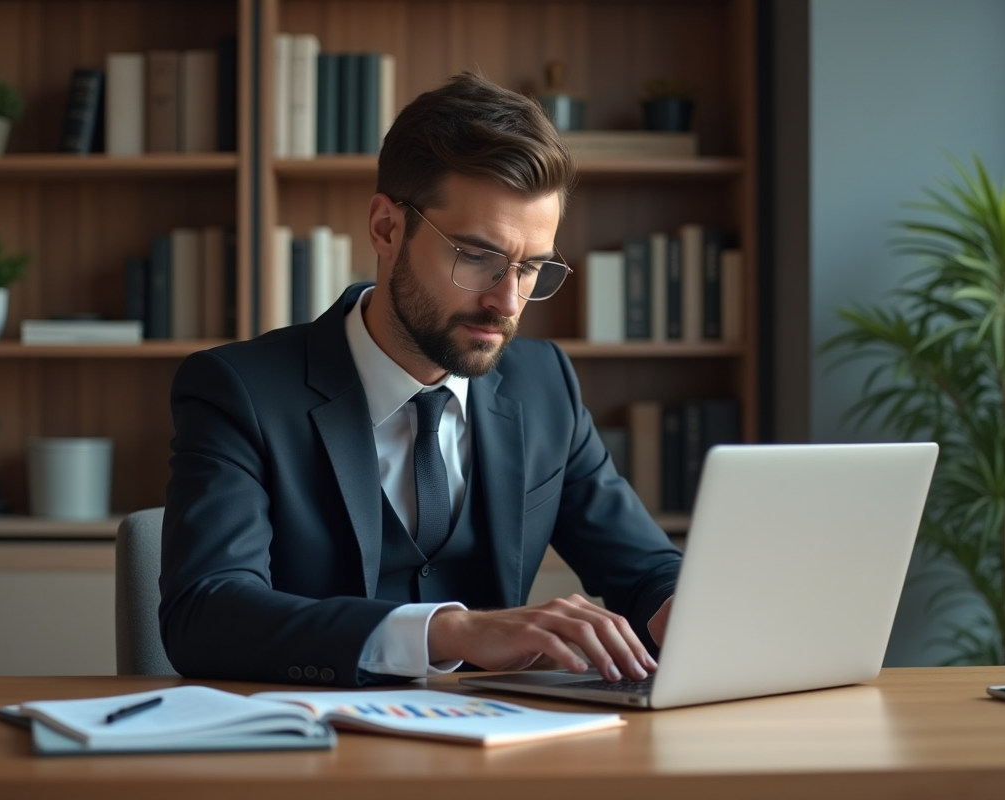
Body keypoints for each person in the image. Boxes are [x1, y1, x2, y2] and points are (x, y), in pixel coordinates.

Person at [159, 72, 680, 687]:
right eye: (477, 257)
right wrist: (452, 631)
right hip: (313, 755)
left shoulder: (545, 385)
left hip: (505, 750)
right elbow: (205, 613)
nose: (507, 301)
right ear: (386, 228)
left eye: (532, 267)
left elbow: (647, 570)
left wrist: (690, 616)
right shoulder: (239, 390)